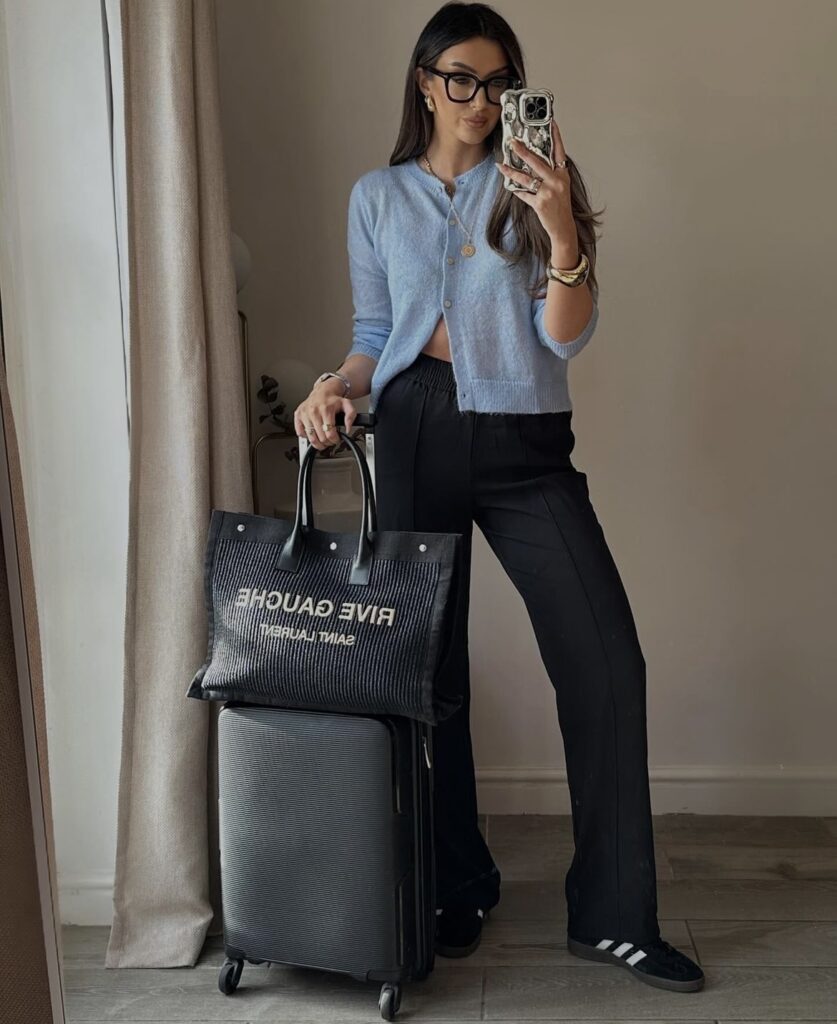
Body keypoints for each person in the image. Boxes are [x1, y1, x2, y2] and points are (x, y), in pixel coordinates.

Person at [294, 1, 704, 995]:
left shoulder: (537, 182)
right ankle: (459, 884)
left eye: (497, 80)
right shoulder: (376, 196)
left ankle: (613, 914)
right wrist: (334, 387)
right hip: (418, 428)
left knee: (606, 660)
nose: (479, 101)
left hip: (526, 441)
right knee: (431, 680)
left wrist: (562, 225)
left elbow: (565, 334)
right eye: (460, 79)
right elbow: (374, 329)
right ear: (426, 81)